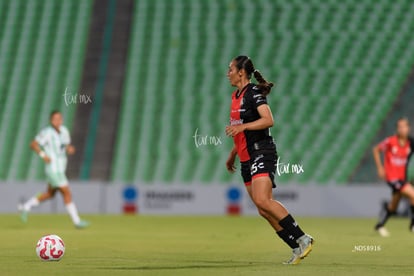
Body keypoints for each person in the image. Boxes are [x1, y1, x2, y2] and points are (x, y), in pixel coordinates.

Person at [225, 56, 314, 265]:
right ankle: (295, 247)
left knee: (264, 200)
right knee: (261, 207)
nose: (227, 73)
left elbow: (268, 120)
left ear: (241, 72)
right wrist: (233, 154)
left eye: (230, 69)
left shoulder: (253, 93)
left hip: (261, 152)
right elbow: (240, 132)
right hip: (246, 157)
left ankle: (303, 237)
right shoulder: (234, 96)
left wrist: (243, 127)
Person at [19, 110, 89, 229]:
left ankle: (26, 206)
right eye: (55, 119)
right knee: (67, 192)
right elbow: (33, 144)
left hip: (61, 168)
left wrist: (69, 149)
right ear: (51, 120)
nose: (57, 121)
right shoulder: (47, 133)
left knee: (50, 194)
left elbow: (66, 146)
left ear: (61, 119)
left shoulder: (65, 131)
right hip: (53, 169)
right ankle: (77, 221)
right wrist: (43, 155)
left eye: (59, 118)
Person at [373, 117, 414, 236]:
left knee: (393, 206)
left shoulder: (410, 143)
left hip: (402, 179)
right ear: (397, 129)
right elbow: (376, 149)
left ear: (408, 128)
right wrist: (380, 168)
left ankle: (380, 225)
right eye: (400, 127)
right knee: (413, 194)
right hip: (392, 178)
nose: (402, 129)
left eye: (404, 126)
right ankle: (413, 225)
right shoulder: (391, 141)